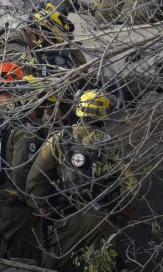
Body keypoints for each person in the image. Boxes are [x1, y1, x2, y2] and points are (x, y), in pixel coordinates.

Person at [26, 90, 135, 272]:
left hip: (67, 215)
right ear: (103, 113)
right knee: (100, 265)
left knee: (54, 265)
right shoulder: (111, 143)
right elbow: (132, 183)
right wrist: (124, 208)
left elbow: (35, 177)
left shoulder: (59, 139)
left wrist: (39, 206)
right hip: (101, 218)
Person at [0, 67, 51, 262]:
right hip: (16, 205)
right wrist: (36, 203)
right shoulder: (26, 132)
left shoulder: (0, 120)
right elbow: (21, 173)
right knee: (20, 258)